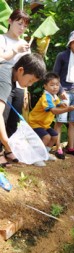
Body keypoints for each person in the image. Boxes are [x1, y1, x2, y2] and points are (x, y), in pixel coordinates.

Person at [0, 53, 46, 167]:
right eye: (31, 80)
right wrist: (7, 143)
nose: (30, 84)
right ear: (21, 70)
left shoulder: (10, 69)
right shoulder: (5, 80)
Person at [0, 9, 30, 163]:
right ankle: (0, 152)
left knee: (13, 119)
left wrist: (26, 90)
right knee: (2, 116)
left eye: (24, 26)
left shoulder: (25, 44)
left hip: (18, 85)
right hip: (3, 81)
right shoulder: (2, 39)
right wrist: (15, 50)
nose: (22, 28)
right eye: (19, 24)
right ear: (9, 21)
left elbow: (27, 70)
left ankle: (8, 150)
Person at [28, 72, 74, 166]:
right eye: (52, 85)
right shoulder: (46, 97)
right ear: (45, 86)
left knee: (54, 136)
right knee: (47, 137)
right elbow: (53, 110)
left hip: (44, 124)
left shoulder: (53, 96)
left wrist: (61, 104)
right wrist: (67, 109)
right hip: (35, 123)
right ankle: (36, 157)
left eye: (57, 85)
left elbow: (56, 104)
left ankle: (44, 153)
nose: (55, 87)